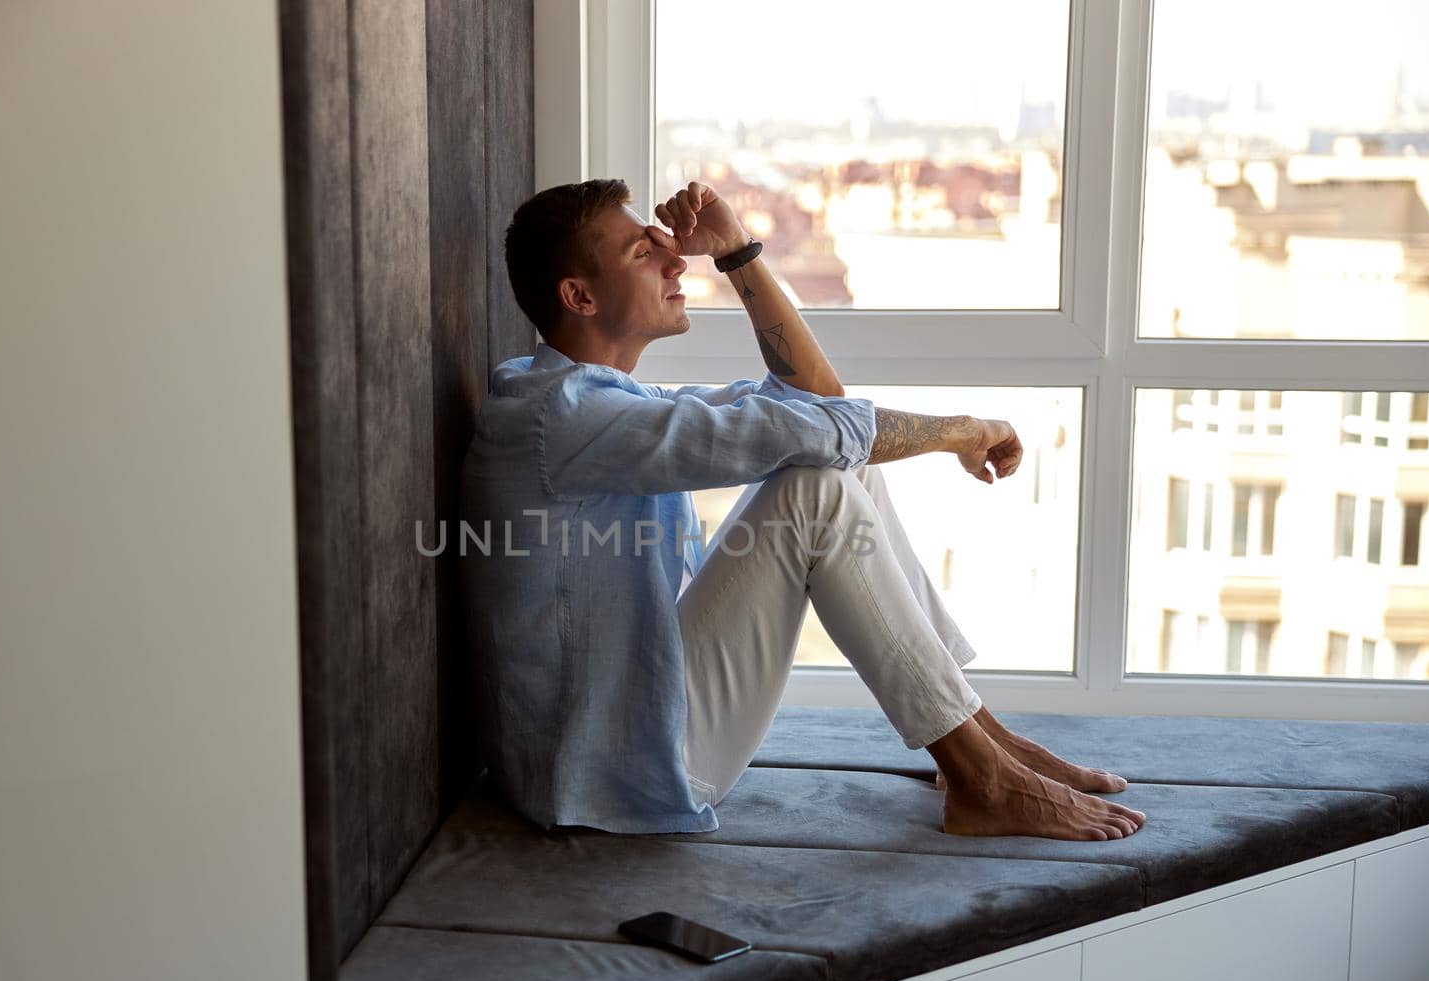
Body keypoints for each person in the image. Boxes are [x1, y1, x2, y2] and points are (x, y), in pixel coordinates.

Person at [459, 177, 1146, 842]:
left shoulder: (596, 400)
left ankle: (978, 740)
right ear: (578, 295)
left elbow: (815, 401)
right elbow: (820, 428)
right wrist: (962, 429)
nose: (674, 255)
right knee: (816, 485)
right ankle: (982, 777)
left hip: (625, 729)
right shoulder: (567, 418)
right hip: (607, 773)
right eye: (643, 253)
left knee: (832, 470)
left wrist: (735, 250)